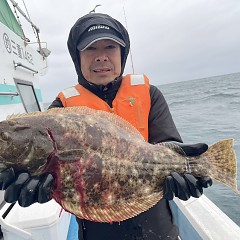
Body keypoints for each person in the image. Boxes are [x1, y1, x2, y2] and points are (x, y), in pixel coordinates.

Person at [0, 13, 212, 240]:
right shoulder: (60, 109)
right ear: (77, 57)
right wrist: (30, 187)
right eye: (91, 49)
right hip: (96, 232)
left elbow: (169, 146)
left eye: (110, 47)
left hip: (157, 227)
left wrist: (185, 173)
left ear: (122, 53)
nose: (101, 57)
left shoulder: (149, 94)